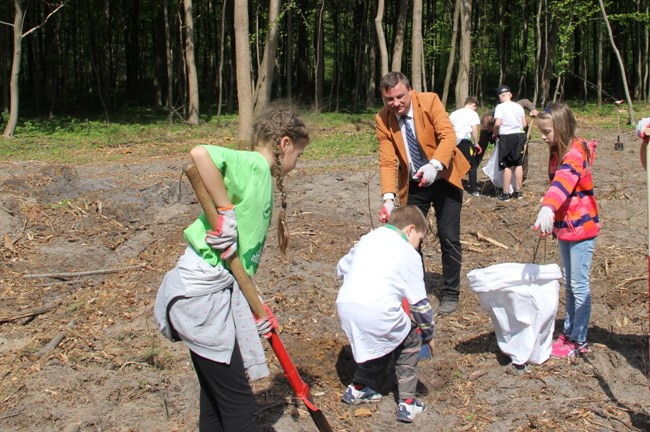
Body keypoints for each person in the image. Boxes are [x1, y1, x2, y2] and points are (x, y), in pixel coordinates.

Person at [153, 109, 309, 431]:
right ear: (284, 143)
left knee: (214, 399)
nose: (298, 163)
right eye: (299, 154)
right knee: (238, 406)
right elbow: (200, 154)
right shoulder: (255, 165)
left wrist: (257, 307)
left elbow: (239, 265)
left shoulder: (261, 178)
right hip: (201, 298)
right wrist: (224, 210)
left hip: (210, 295)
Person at [375, 71, 470, 314]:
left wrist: (435, 165)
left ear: (410, 91)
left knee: (449, 236)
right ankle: (415, 290)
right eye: (389, 99)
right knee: (408, 238)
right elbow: (387, 162)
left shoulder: (429, 101)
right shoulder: (383, 119)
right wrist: (388, 199)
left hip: (444, 176)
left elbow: (448, 136)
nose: (396, 103)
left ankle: (450, 292)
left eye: (400, 97)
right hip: (416, 182)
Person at [336, 205, 435, 423]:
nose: (418, 246)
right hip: (377, 311)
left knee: (382, 335)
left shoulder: (369, 238)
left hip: (346, 306)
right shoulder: (409, 253)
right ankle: (408, 403)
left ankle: (360, 387)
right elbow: (419, 305)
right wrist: (428, 333)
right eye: (419, 239)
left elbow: (340, 268)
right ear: (410, 230)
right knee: (408, 340)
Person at [533, 103, 600, 359]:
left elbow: (563, 182)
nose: (543, 136)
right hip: (566, 227)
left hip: (582, 226)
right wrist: (550, 218)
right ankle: (570, 332)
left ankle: (578, 339)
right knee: (570, 284)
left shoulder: (574, 154)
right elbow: (557, 188)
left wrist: (548, 208)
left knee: (578, 285)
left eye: (547, 131)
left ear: (561, 128)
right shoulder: (556, 151)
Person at [492, 85, 527, 201]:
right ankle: (518, 192)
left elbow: (497, 123)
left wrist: (494, 134)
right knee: (518, 164)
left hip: (506, 136)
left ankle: (506, 193)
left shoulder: (500, 107)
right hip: (519, 135)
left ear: (500, 96)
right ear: (510, 95)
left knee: (507, 165)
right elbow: (524, 124)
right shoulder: (518, 107)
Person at [449, 96, 482, 196]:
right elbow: (474, 129)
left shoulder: (455, 113)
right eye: (475, 107)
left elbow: (448, 126)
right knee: (472, 165)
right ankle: (473, 189)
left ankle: (453, 186)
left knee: (454, 164)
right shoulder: (473, 114)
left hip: (453, 141)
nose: (475, 109)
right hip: (465, 142)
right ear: (473, 104)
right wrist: (476, 143)